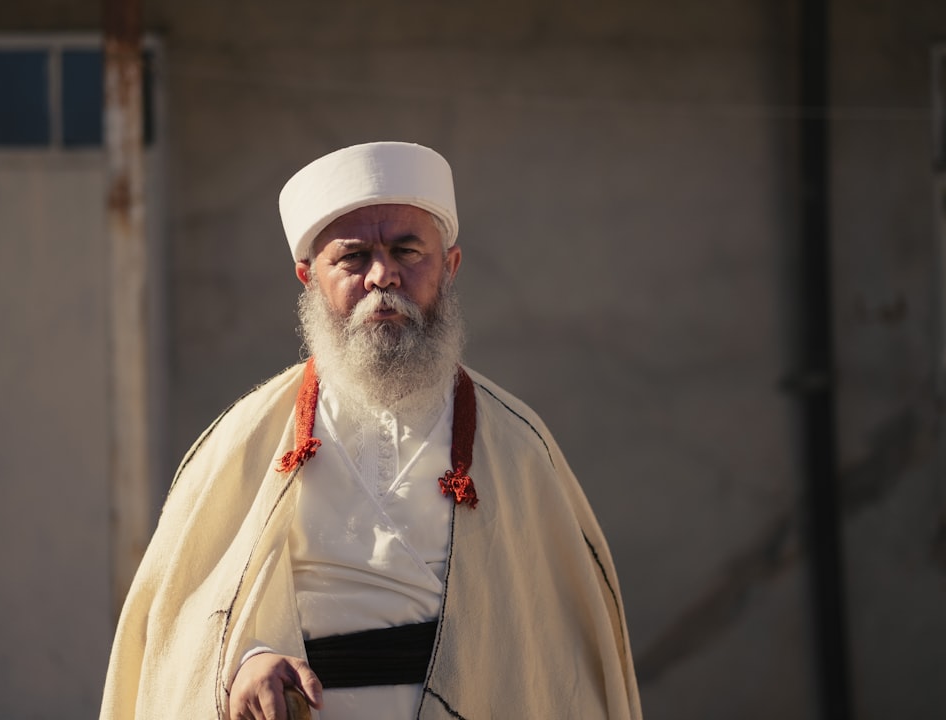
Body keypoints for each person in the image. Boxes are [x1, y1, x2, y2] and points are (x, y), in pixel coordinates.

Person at [99, 142, 641, 720]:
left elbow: (554, 662)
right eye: (353, 258)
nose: (384, 276)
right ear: (308, 278)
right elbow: (187, 628)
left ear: (450, 266)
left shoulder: (518, 448)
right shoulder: (241, 442)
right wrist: (248, 656)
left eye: (408, 250)